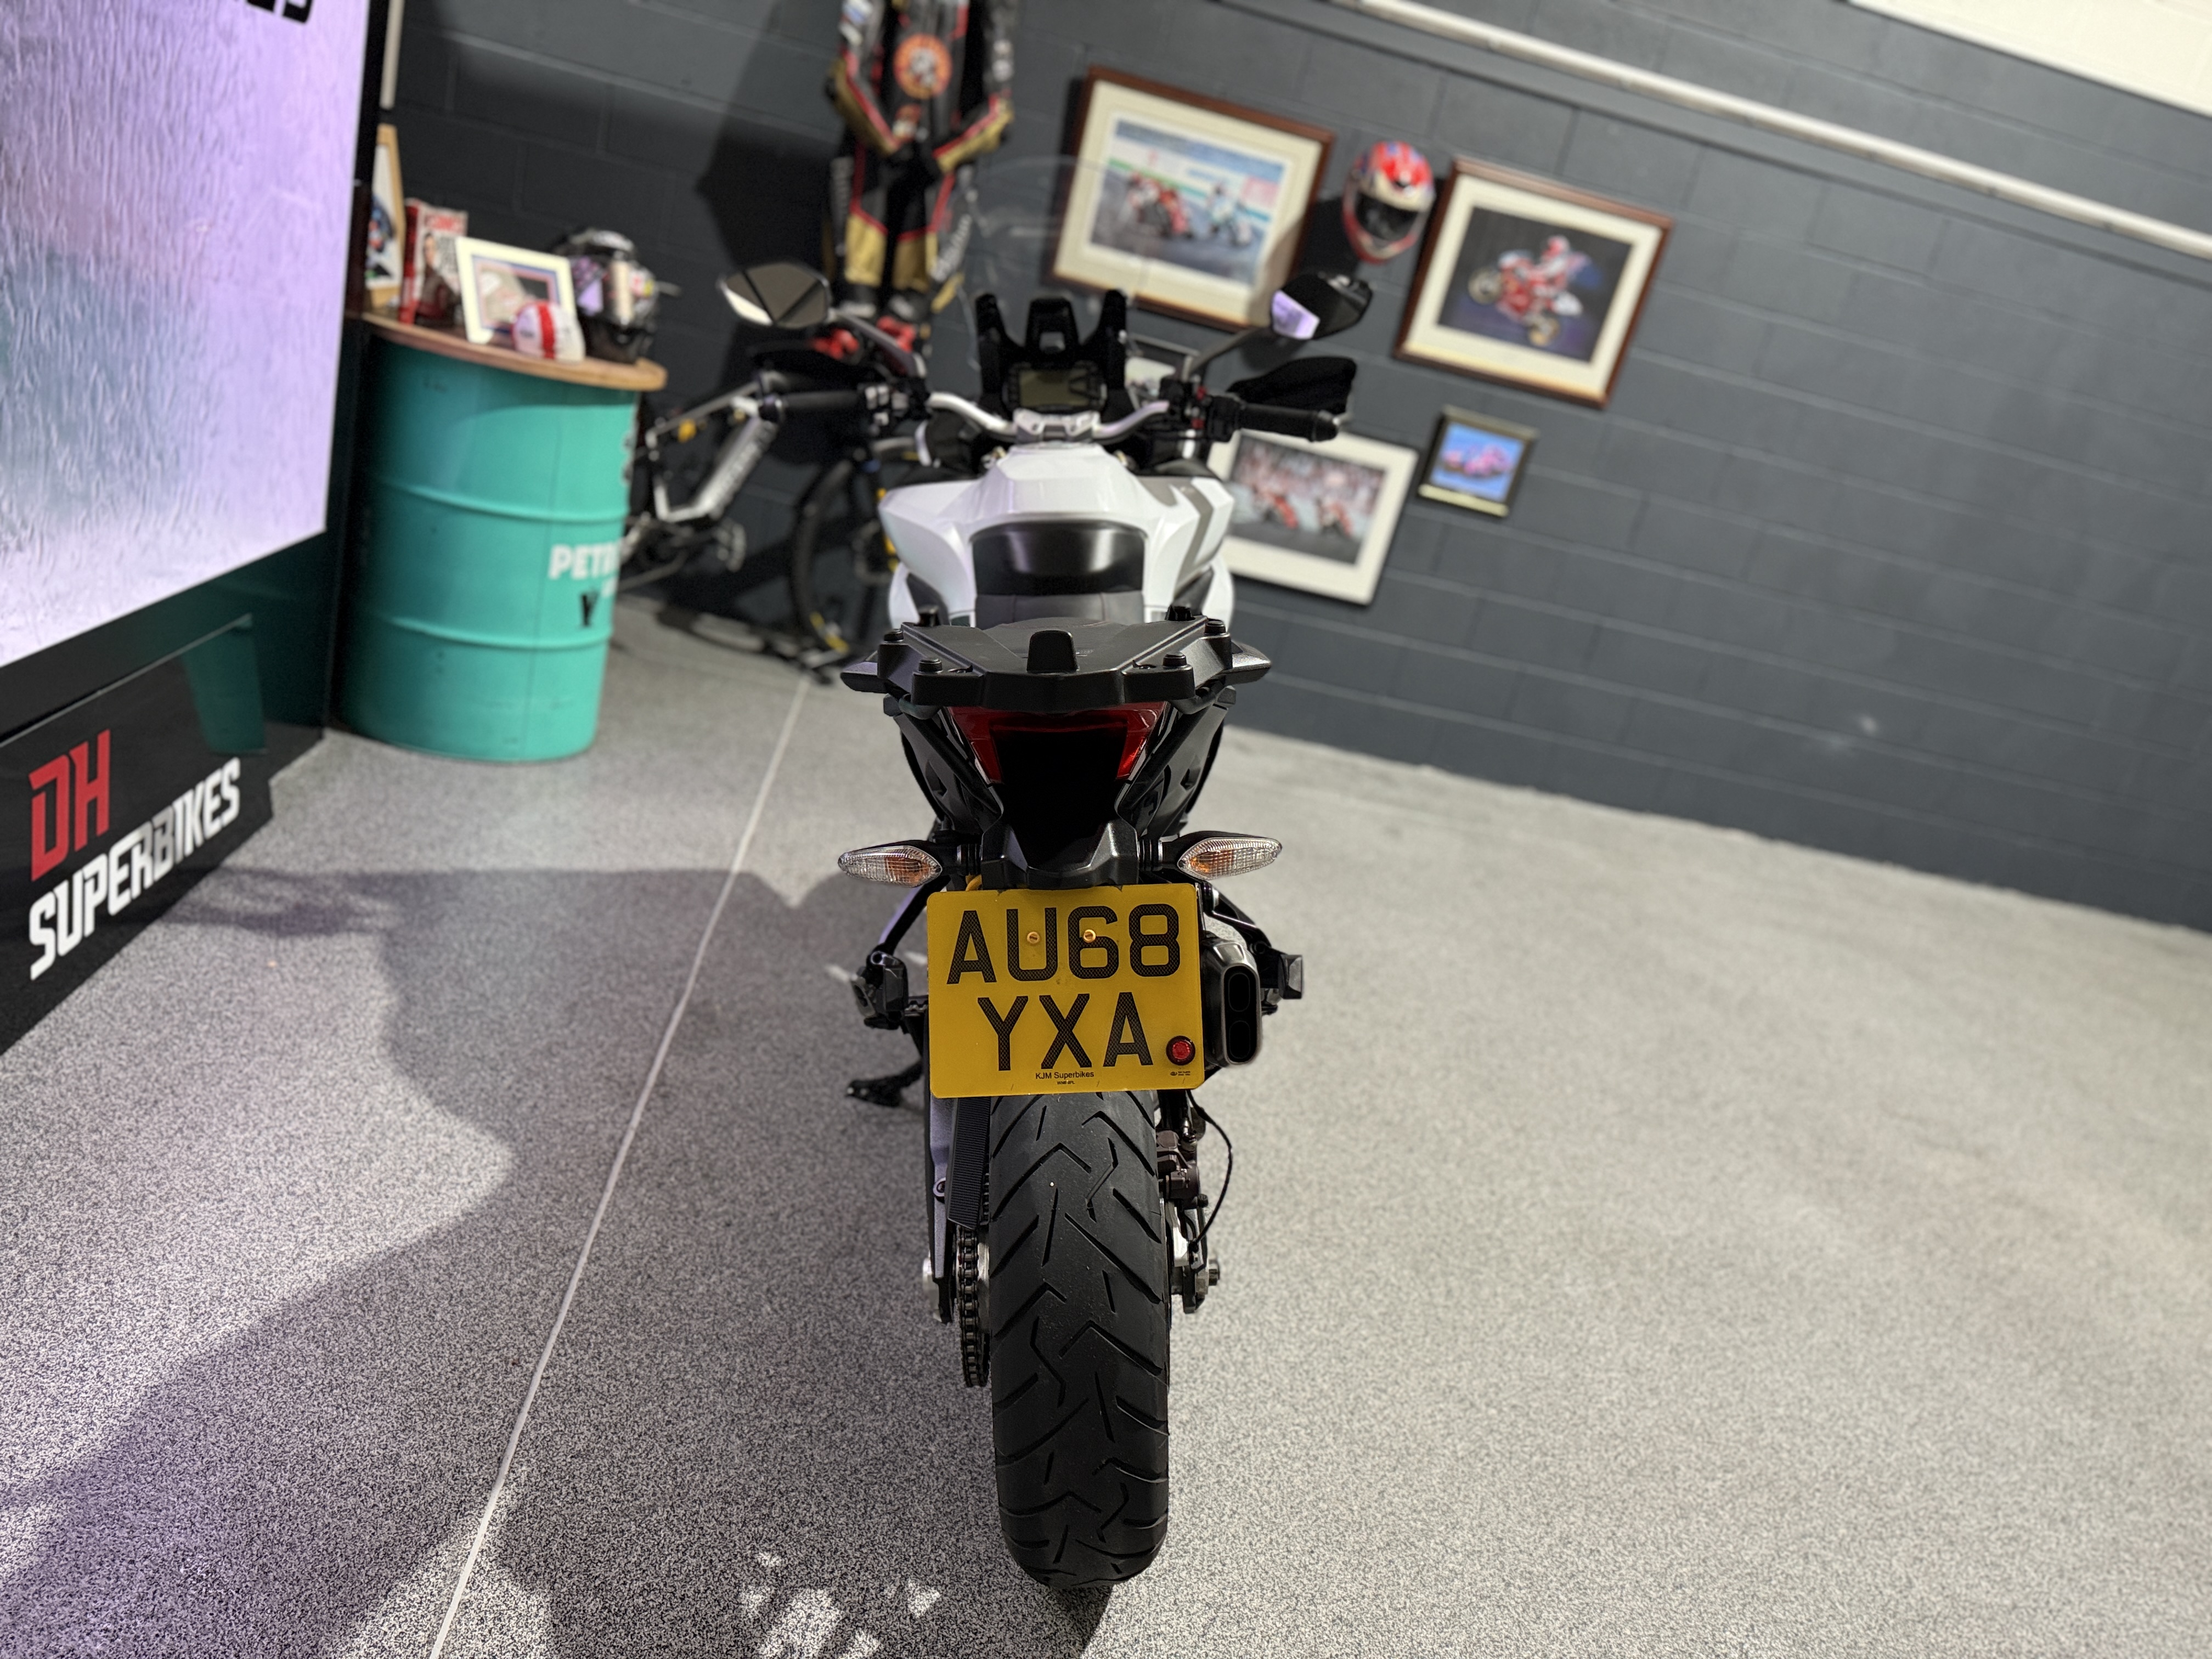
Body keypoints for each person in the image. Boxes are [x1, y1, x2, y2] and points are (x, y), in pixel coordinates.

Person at [826, 0, 1019, 346]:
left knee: (907, 325)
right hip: (868, 173)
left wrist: (940, 157)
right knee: (851, 311)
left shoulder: (988, 10)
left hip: (936, 186)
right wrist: (889, 145)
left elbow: (998, 112)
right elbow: (843, 76)